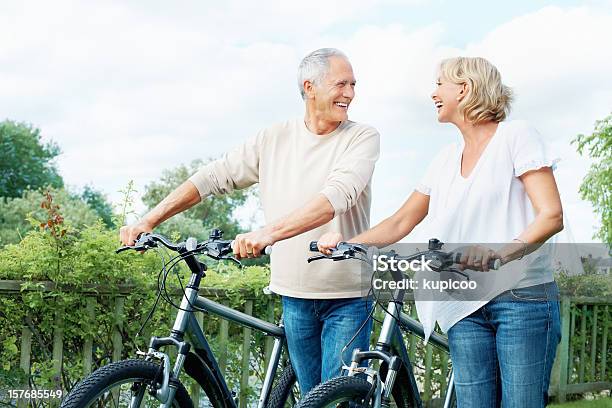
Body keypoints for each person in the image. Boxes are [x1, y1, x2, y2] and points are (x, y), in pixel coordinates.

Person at [120, 48, 380, 395]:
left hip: (347, 295)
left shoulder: (362, 137)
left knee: (335, 400)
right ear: (309, 87)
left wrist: (266, 234)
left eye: (353, 84)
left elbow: (335, 198)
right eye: (341, 84)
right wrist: (149, 219)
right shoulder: (273, 138)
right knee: (309, 398)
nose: (350, 93)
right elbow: (213, 176)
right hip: (293, 294)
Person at [317, 57, 563, 407]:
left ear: (464, 88)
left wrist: (498, 253)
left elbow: (551, 215)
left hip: (520, 299)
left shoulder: (516, 136)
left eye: (440, 84)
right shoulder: (445, 159)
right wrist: (347, 242)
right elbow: (402, 221)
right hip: (464, 305)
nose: (433, 93)